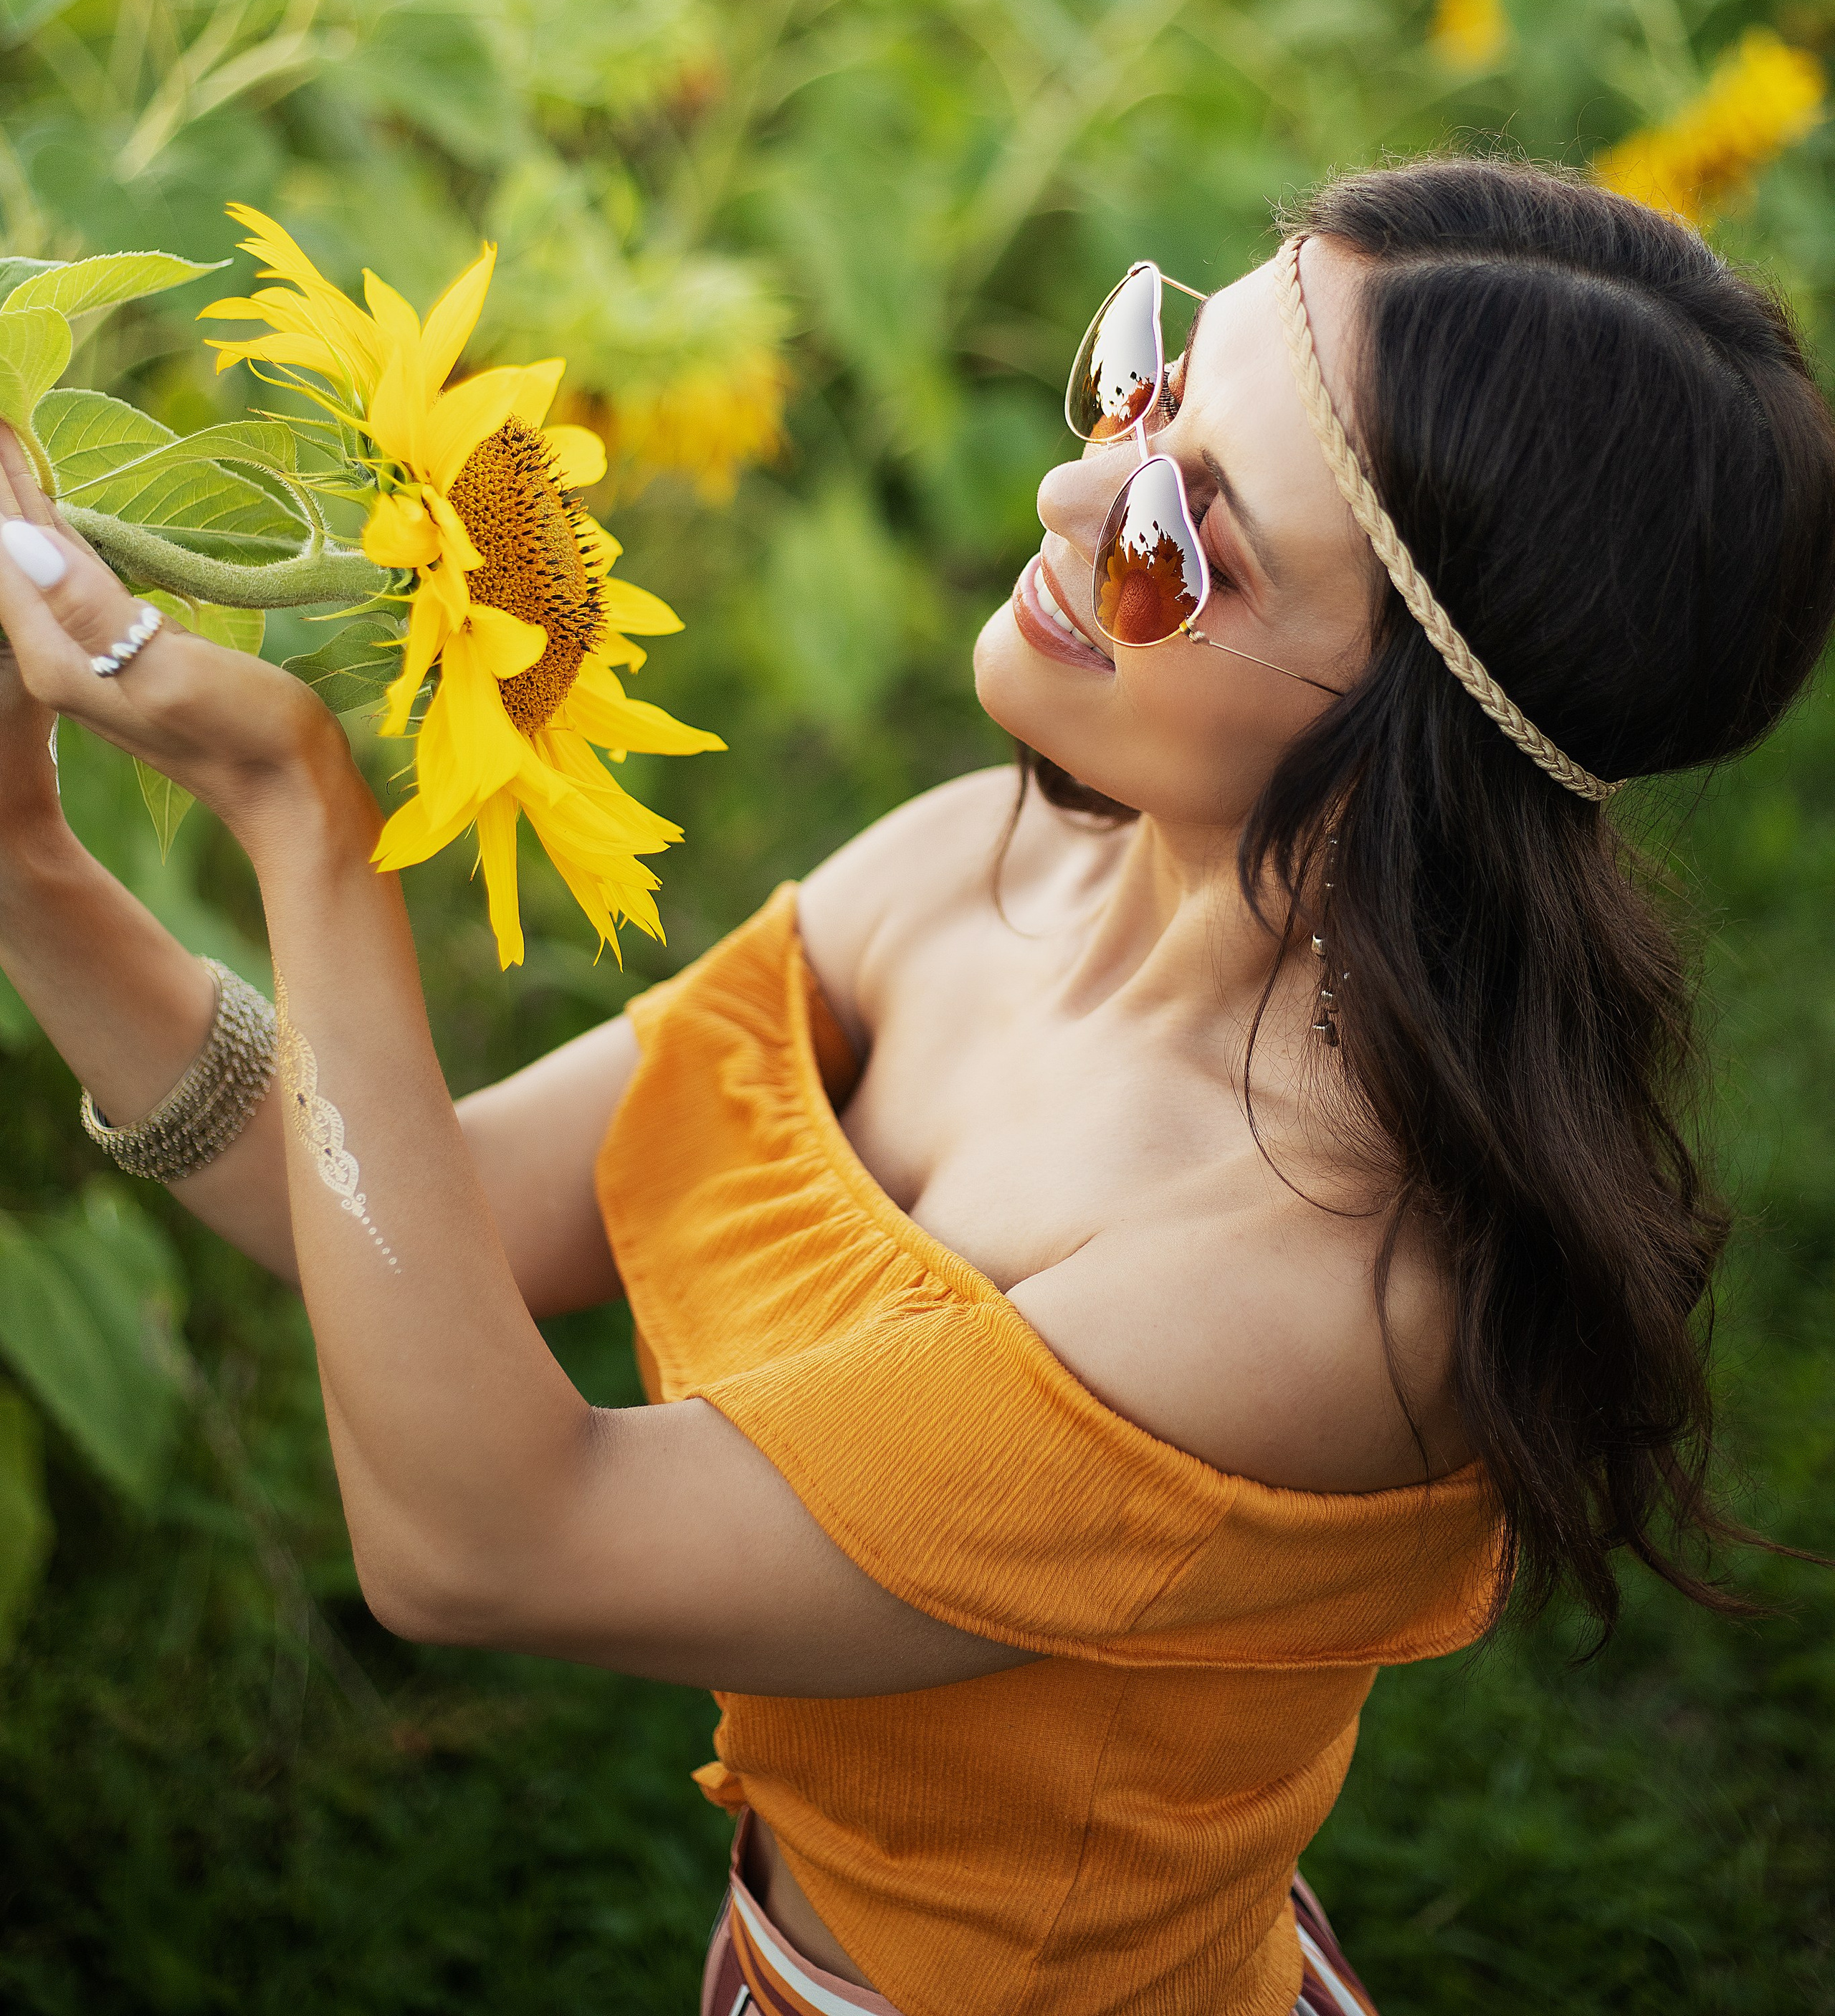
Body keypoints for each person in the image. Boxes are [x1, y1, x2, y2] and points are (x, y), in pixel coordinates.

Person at [1, 159, 1831, 2016]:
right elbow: (422, 1218)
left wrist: (310, 825)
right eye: (1150, 382)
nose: (1069, 489)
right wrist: (28, 862)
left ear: (1408, 739)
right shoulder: (982, 871)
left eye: (1191, 538)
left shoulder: (1307, 1284)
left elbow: (485, 1544)